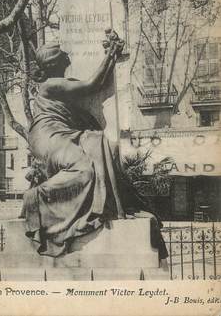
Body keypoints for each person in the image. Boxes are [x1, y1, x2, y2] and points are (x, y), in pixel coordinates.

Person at [20, 32, 168, 263]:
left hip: (63, 134)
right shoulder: (51, 84)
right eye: (63, 57)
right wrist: (110, 54)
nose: (68, 59)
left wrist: (112, 55)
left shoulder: (54, 85)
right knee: (85, 170)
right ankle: (37, 197)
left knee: (103, 147)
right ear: (55, 63)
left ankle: (104, 204)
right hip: (49, 135)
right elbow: (93, 84)